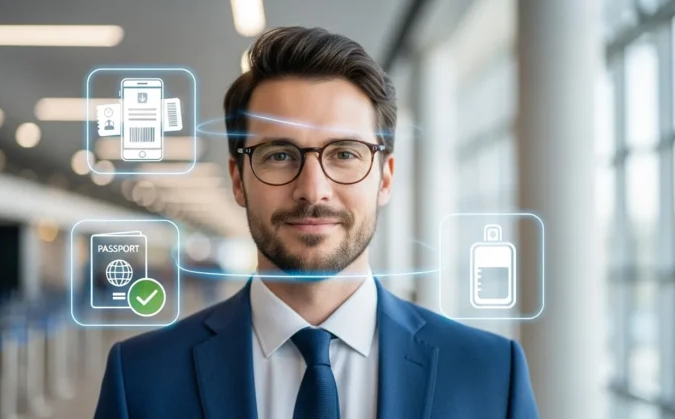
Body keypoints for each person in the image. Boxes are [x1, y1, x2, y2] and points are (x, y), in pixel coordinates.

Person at [94, 26, 539, 419]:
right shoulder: (140, 380)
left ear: (385, 178)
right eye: (279, 155)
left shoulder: (491, 375)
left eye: (345, 154)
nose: (313, 189)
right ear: (238, 179)